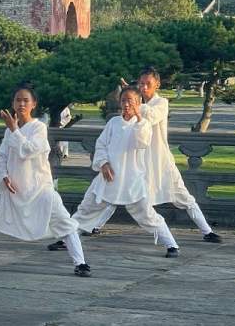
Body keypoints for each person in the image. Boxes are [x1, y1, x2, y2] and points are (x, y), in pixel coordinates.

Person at [0, 84, 91, 278]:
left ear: (34, 104)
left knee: (65, 223)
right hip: (12, 189)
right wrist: (4, 176)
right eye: (18, 100)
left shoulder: (38, 128)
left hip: (39, 189)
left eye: (26, 100)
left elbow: (28, 151)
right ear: (13, 103)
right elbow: (2, 156)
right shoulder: (10, 131)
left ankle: (81, 263)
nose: (21, 104)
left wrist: (15, 129)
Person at [89, 68, 222, 243]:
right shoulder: (133, 106)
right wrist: (132, 98)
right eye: (141, 84)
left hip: (160, 161)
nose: (144, 87)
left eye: (148, 84)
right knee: (119, 191)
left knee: (183, 196)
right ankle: (95, 225)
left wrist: (133, 100)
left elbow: (150, 116)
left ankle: (207, 231)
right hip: (137, 162)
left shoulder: (161, 103)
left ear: (157, 84)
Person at [47, 87, 181, 258]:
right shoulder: (114, 123)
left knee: (147, 214)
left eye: (131, 101)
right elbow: (101, 144)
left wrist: (139, 118)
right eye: (124, 100)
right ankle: (67, 239)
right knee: (86, 209)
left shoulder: (144, 124)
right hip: (108, 178)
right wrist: (103, 163)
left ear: (139, 102)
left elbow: (142, 142)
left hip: (131, 181)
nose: (127, 104)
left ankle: (171, 245)